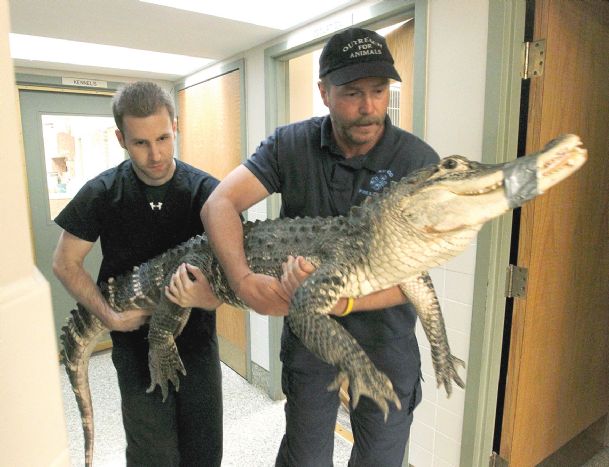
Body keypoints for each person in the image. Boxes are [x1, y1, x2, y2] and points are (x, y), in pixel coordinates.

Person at [180, 27, 440, 466]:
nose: (369, 107)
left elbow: (418, 275)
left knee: (381, 458)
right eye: (353, 93)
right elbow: (219, 203)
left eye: (379, 91)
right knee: (306, 456)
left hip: (386, 343)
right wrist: (242, 281)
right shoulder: (290, 145)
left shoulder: (417, 163)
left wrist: (344, 302)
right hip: (310, 339)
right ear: (324, 92)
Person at [52, 81, 223, 467]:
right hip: (134, 344)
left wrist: (208, 298)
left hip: (196, 341)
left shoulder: (209, 192)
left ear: (175, 126)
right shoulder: (101, 192)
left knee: (205, 453)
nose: (156, 153)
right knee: (153, 455)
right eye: (141, 142)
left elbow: (235, 273)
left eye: (163, 137)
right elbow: (64, 262)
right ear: (121, 138)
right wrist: (110, 317)